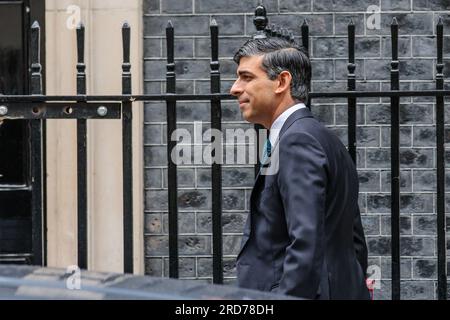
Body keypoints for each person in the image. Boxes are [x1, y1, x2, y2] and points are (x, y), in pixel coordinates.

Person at [230, 37, 370, 300]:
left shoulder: (297, 141)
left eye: (246, 77)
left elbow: (306, 242)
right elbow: (354, 240)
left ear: (282, 82)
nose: (234, 88)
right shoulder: (324, 138)